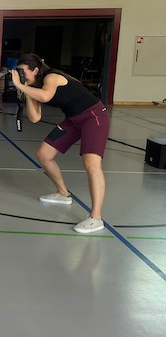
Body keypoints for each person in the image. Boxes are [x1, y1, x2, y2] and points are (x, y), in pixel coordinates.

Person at [11, 53, 109, 234]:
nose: (21, 75)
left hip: (93, 117)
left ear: (36, 70)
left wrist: (20, 85)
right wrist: (26, 89)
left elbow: (46, 97)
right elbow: (35, 118)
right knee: (44, 155)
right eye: (19, 72)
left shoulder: (51, 77)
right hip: (73, 120)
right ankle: (63, 193)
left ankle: (96, 218)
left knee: (91, 164)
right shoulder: (34, 86)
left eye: (23, 72)